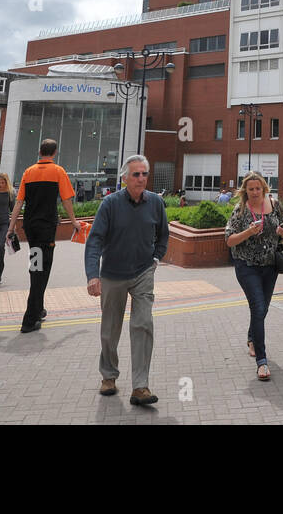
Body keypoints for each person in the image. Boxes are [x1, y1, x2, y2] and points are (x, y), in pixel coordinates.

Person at [85, 154, 168, 406]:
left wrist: (155, 259)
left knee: (143, 325)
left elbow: (163, 235)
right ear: (124, 178)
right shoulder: (110, 204)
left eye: (144, 174)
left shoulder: (155, 203)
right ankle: (108, 376)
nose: (141, 178)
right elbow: (95, 240)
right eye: (136, 174)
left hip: (143, 272)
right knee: (110, 329)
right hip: (112, 274)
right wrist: (92, 275)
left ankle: (140, 386)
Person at [7, 138, 81, 334]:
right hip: (46, 229)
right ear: (54, 153)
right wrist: (74, 221)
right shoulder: (58, 172)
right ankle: (30, 320)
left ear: (40, 152)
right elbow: (66, 200)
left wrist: (11, 227)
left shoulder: (28, 172)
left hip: (31, 228)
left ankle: (38, 309)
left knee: (36, 267)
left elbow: (18, 203)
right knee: (41, 270)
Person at [224, 171, 283, 381]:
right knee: (258, 307)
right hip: (247, 266)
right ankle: (262, 362)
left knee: (263, 309)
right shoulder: (240, 210)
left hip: (270, 265)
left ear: (264, 189)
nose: (254, 192)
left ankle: (252, 338)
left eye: (258, 188)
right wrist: (248, 233)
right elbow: (229, 240)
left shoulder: (275, 204)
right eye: (251, 189)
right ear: (245, 191)